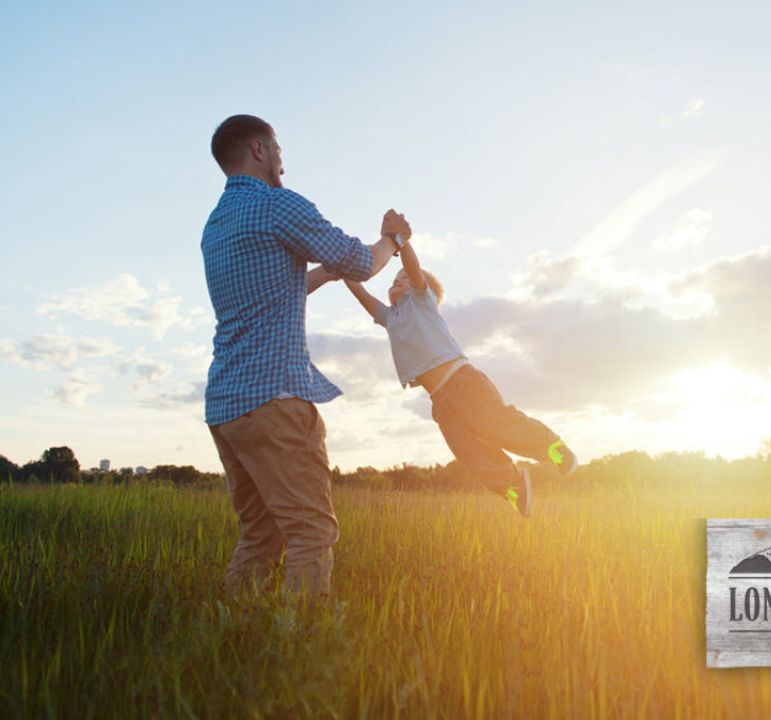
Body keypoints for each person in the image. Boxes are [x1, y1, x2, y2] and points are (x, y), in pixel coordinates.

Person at [201, 114, 410, 598]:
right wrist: (393, 240)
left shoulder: (215, 227)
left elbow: (276, 289)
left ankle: (234, 641)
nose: (281, 161)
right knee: (311, 532)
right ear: (258, 149)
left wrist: (326, 273)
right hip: (275, 398)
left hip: (227, 404)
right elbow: (362, 260)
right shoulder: (277, 205)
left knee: (259, 537)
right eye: (278, 150)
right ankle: (304, 653)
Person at [334, 238, 578, 517]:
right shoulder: (392, 318)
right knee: (468, 450)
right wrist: (342, 272)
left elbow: (413, 269)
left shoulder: (423, 303)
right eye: (394, 279)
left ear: (419, 288)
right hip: (440, 401)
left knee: (497, 425)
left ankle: (550, 447)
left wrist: (401, 242)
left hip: (462, 381)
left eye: (403, 278)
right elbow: (364, 298)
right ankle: (512, 484)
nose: (397, 280)